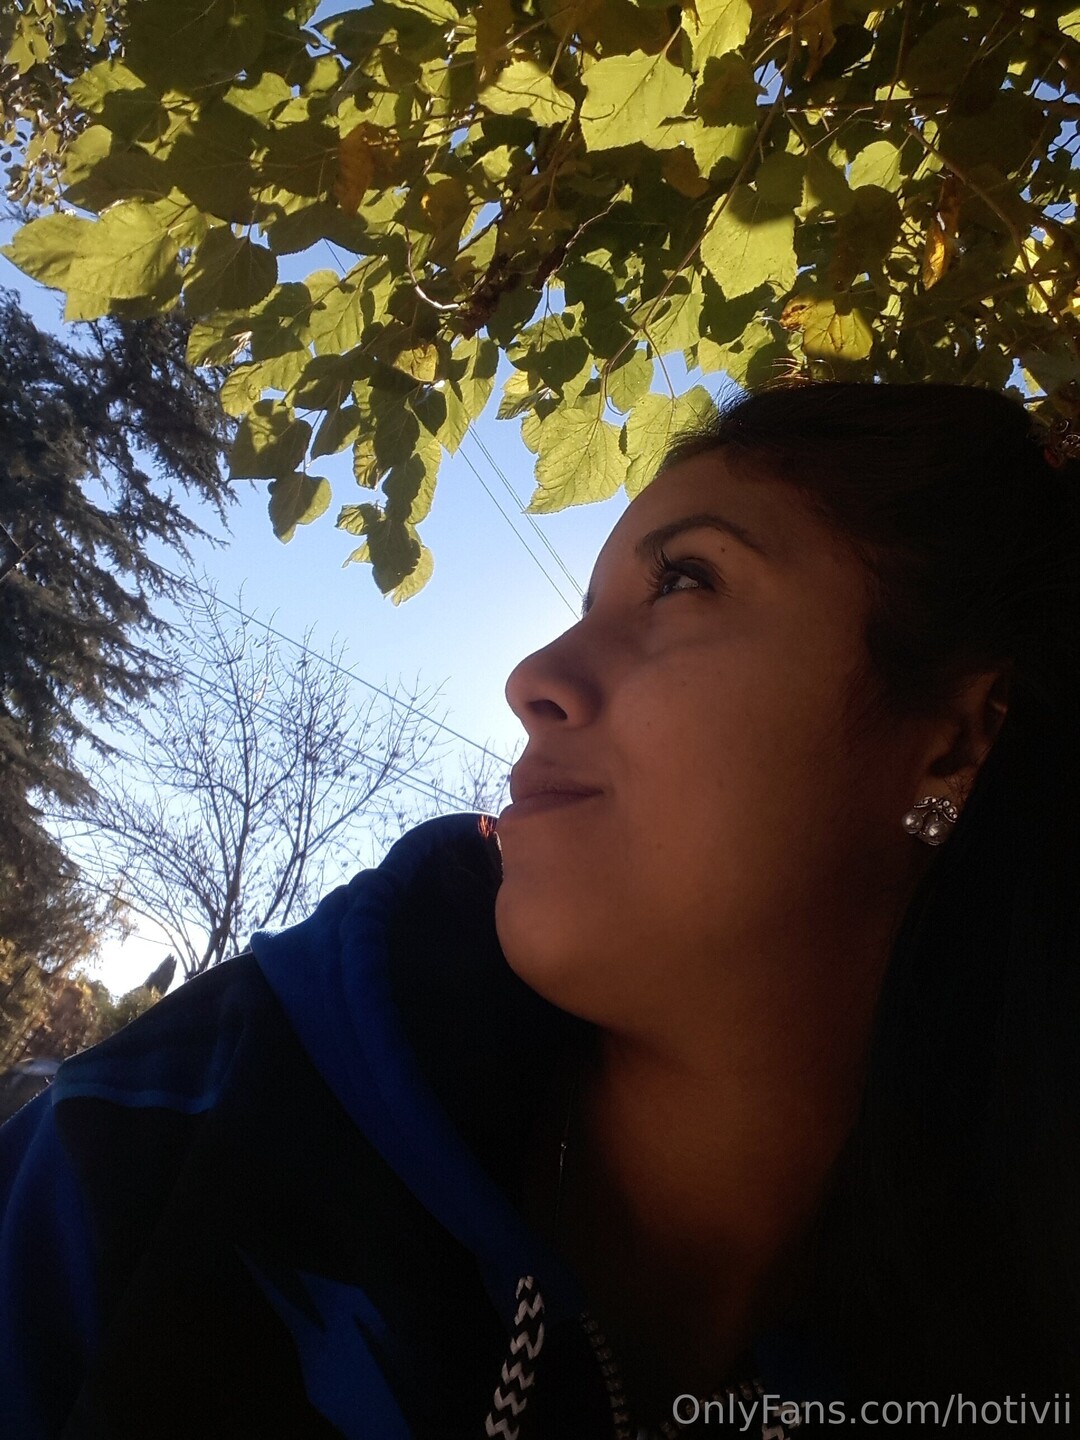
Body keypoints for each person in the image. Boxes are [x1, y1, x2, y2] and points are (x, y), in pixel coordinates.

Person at [1, 380, 1077, 1440]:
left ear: (955, 742)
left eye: (684, 582)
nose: (532, 676)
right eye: (582, 609)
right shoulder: (164, 1130)